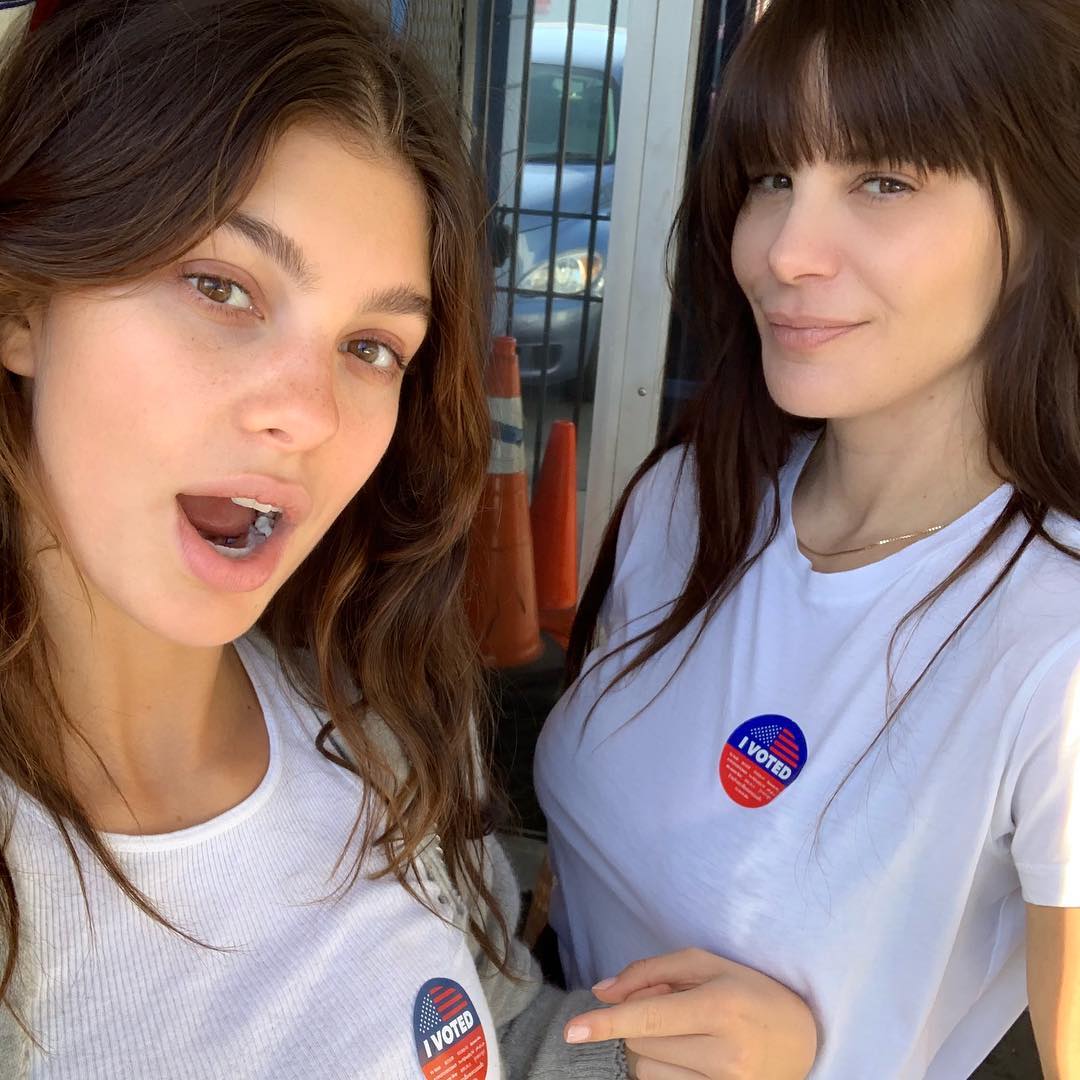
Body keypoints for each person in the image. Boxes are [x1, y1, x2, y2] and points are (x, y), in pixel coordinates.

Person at [0, 1, 638, 1075]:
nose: (309, 412)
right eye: (221, 286)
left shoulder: (385, 736)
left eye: (372, 346)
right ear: (23, 304)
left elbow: (487, 1032)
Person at [538, 0, 1080, 1077]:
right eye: (773, 178)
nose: (785, 251)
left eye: (883, 180)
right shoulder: (692, 499)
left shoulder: (1055, 644)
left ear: (1040, 223)